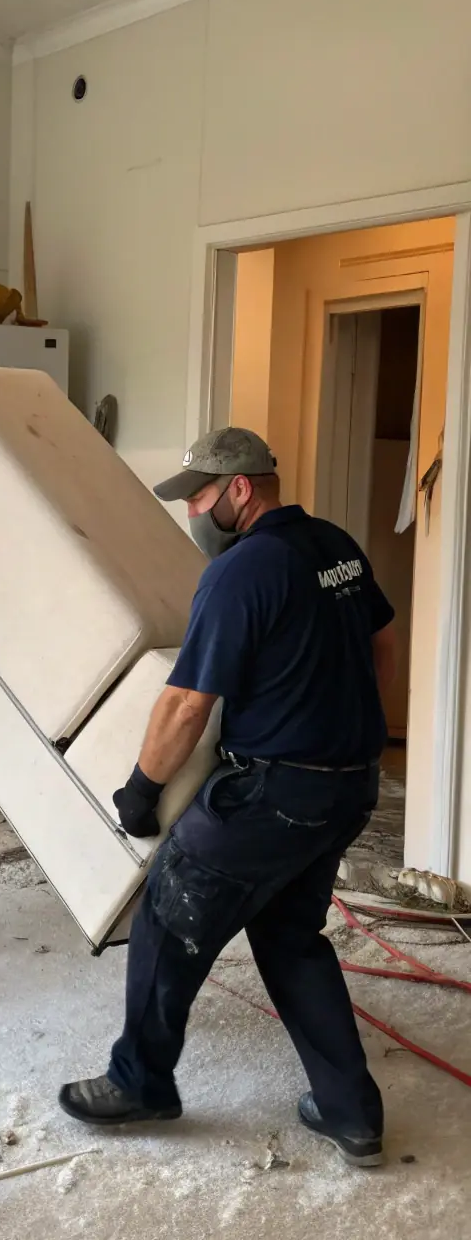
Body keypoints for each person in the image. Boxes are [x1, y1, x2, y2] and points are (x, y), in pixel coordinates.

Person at [58, 427, 396, 1167]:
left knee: (168, 911)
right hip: (350, 786)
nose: (193, 513)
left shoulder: (243, 571)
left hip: (275, 792)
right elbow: (381, 641)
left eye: (200, 496)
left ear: (240, 490)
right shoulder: (334, 546)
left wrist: (142, 790)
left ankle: (140, 1080)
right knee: (288, 934)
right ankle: (352, 1114)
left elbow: (185, 703)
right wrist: (349, 716)